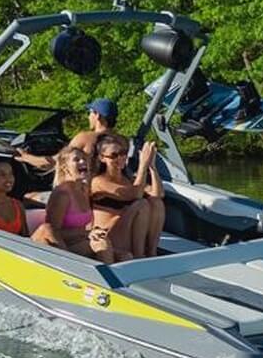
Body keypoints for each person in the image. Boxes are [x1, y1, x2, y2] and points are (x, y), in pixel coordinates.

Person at [89, 133, 164, 261]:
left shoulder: (127, 179)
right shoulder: (99, 182)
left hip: (127, 233)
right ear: (102, 158)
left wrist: (152, 167)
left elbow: (158, 194)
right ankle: (139, 256)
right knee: (141, 205)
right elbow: (135, 194)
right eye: (114, 155)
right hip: (109, 235)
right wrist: (142, 166)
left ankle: (152, 253)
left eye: (123, 153)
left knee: (156, 204)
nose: (121, 158)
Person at [14, 98, 120, 172]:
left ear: (97, 115)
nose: (88, 117)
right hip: (111, 189)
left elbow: (53, 163)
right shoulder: (121, 140)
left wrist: (25, 157)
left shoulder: (84, 138)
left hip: (87, 193)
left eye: (90, 112)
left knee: (28, 197)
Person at [30, 147, 98, 258]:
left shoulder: (84, 190)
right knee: (101, 245)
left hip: (78, 241)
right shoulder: (62, 195)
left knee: (124, 255)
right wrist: (86, 233)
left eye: (84, 159)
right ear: (65, 167)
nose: (83, 162)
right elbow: (53, 233)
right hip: (62, 246)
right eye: (76, 159)